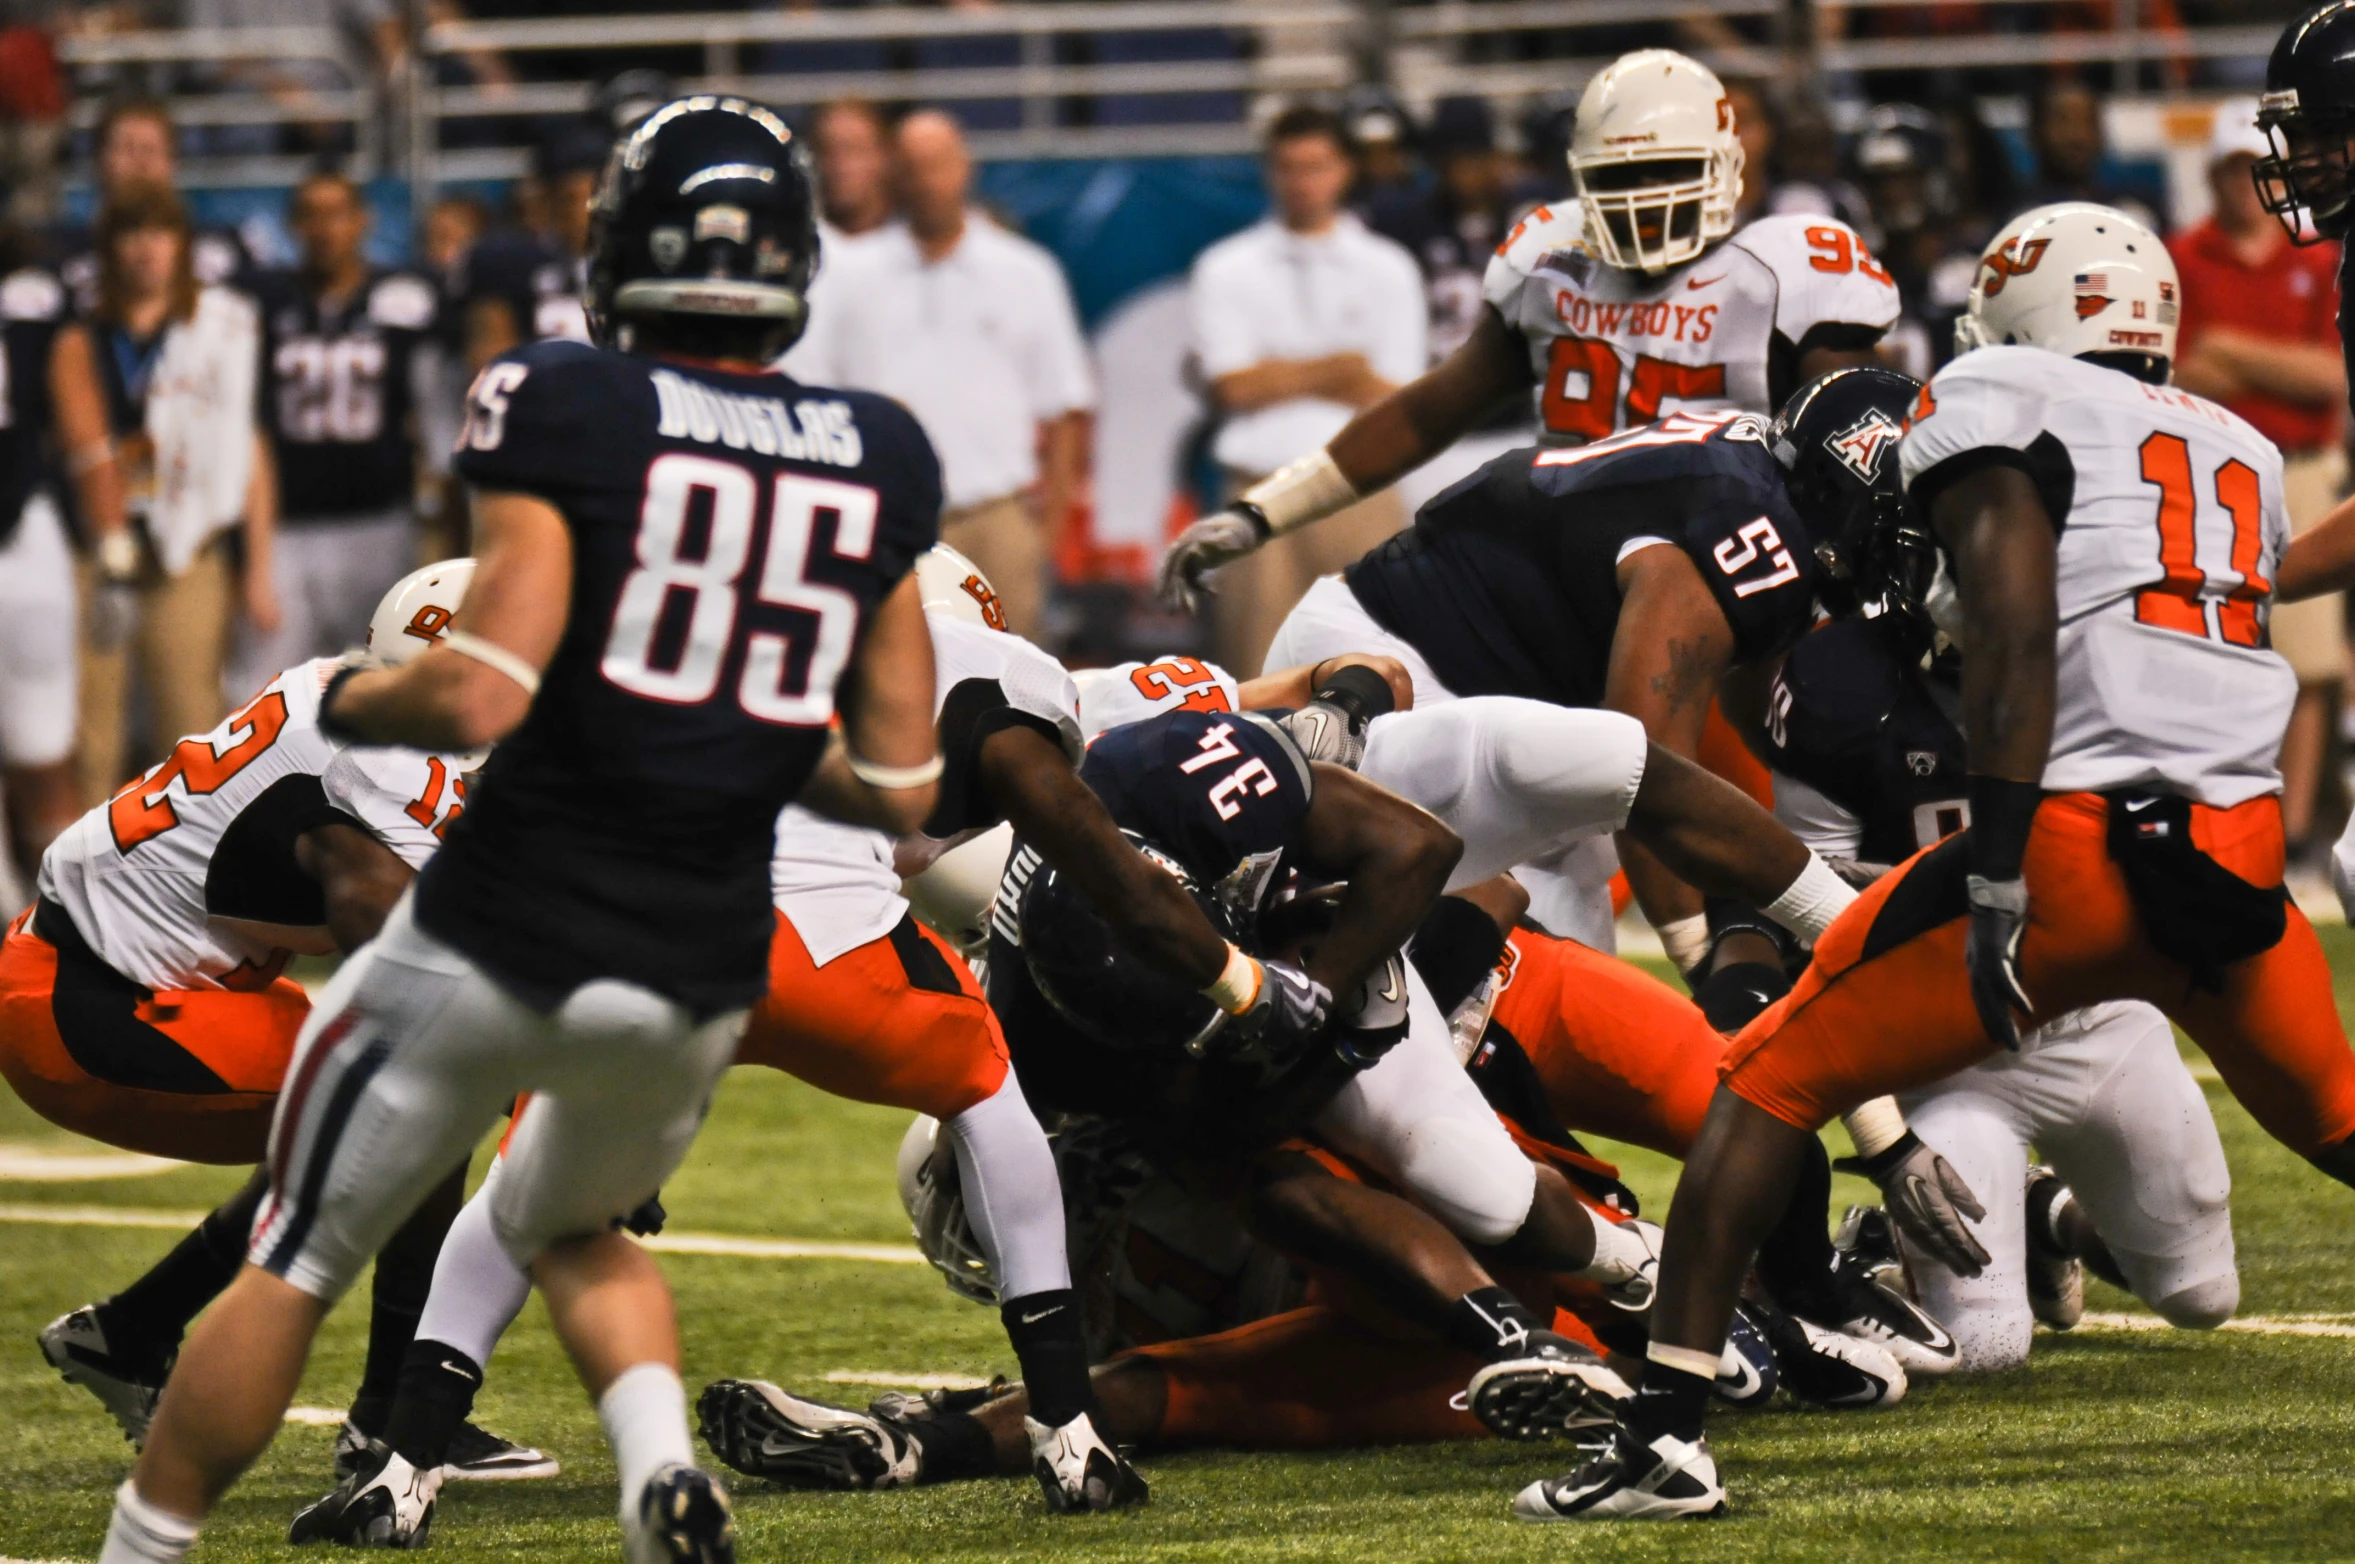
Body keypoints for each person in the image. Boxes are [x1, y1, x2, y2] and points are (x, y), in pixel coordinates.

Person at [88, 96, 941, 1564]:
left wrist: (354, 699)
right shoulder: (876, 451)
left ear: (626, 245)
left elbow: (480, 690)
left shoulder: (568, 397)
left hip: (508, 918)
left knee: (291, 1257)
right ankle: (659, 1472)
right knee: (570, 1225)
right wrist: (727, 736)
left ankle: (140, 1546)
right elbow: (903, 789)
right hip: (698, 962)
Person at [1527, 202, 2355, 1524]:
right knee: (2336, 1127)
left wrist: (1999, 865)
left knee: (1767, 1076)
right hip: (2233, 860)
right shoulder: (2237, 441)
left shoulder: (1994, 392)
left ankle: (1662, 1444)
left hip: (2077, 850)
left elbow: (2013, 632)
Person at [10, 561, 544, 1479]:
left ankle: (130, 1332)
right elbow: (395, 941)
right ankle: (391, 1422)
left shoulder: (341, 693)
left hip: (116, 977)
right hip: (90, 1012)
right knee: (427, 1089)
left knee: (386, 1093)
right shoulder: (382, 772)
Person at [1158, 50, 1899, 670]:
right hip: (1577, 586)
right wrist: (1265, 509)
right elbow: (1427, 410)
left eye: (1664, 171)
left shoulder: (1784, 268)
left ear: (1724, 165)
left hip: (1744, 592)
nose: (1642, 199)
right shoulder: (1553, 261)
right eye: (1618, 179)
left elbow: (1870, 439)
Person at [1739, 603, 2239, 1371]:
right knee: (1982, 1350)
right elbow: (1816, 925)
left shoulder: (2124, 660)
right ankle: (1880, 1256)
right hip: (1943, 1050)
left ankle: (2049, 1219)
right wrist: (1882, 1137)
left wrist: (1933, 888)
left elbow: (2171, 877)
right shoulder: (1837, 686)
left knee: (2200, 1297)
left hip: (2097, 1021)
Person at [788, 110, 1091, 642]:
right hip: (889, 525)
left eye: (938, 165)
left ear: (965, 168)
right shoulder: (850, 278)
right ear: (893, 175)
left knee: (1017, 703)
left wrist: (1043, 535)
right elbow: (815, 398)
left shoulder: (1025, 271)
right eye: (913, 167)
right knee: (897, 694)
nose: (928, 181)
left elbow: (1065, 408)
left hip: (995, 518)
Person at [53, 180, 276, 806]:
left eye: (159, 234)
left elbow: (247, 449)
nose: (146, 250)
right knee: (91, 731)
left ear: (181, 245)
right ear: (109, 249)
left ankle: (187, 886)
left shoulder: (222, 329)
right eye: (131, 235)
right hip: (96, 548)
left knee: (192, 728)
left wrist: (257, 564)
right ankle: (85, 883)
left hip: (189, 546)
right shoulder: (82, 336)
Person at [2168, 99, 2347, 869]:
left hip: (2303, 468)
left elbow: (2328, 378)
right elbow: (2177, 372)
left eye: (2256, 168)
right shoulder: (2180, 255)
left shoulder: (2313, 256)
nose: (2248, 185)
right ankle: (2241, 824)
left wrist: (2231, 349)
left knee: (2308, 664)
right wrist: (2274, 365)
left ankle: (2295, 830)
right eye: (2233, 170)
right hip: (2209, 470)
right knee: (2211, 654)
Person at [1186, 104, 1426, 676]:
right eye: (1289, 167)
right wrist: (1341, 368)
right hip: (1260, 490)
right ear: (1270, 173)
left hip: (1358, 487)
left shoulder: (1388, 267)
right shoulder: (1225, 267)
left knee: (1382, 671)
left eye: (1316, 166)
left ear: (1345, 171)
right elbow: (1231, 386)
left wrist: (1277, 374)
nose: (1303, 182)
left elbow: (1396, 393)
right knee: (1257, 673)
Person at [228, 171, 451, 701]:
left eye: (337, 214)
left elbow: (436, 414)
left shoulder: (404, 297)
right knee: (260, 697)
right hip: (285, 530)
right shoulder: (262, 300)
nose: (325, 229)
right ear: (293, 226)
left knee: (383, 689)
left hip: (380, 522)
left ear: (362, 221)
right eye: (312, 215)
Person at [1365, 96, 1536, 517]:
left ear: (1497, 158)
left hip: (1520, 420)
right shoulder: (1401, 222)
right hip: (1434, 421)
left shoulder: (1537, 218)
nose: (1461, 170)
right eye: (1450, 158)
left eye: (1472, 157)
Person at [0, 255, 77, 895]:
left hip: (22, 534)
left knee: (41, 744)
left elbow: (81, 420)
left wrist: (107, 539)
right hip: (27, 544)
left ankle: (59, 914)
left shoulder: (33, 300)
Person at [58, 99, 251, 316]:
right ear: (100, 160)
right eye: (127, 148)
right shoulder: (60, 252)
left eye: (151, 149)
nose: (141, 162)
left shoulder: (230, 245)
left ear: (173, 161)